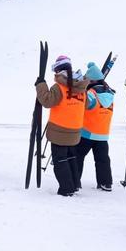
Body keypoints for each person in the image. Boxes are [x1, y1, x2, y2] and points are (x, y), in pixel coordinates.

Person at [36, 55, 90, 196]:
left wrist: (41, 85)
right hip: (76, 130)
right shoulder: (81, 87)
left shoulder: (59, 87)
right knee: (71, 157)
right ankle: (74, 184)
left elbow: (47, 101)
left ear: (58, 70)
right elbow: (88, 105)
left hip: (60, 130)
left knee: (60, 160)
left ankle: (67, 188)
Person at [76, 61, 115, 191]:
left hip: (87, 132)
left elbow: (84, 105)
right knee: (102, 159)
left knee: (78, 156)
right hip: (103, 134)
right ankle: (106, 182)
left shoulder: (91, 94)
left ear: (91, 80)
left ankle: (75, 181)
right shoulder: (109, 93)